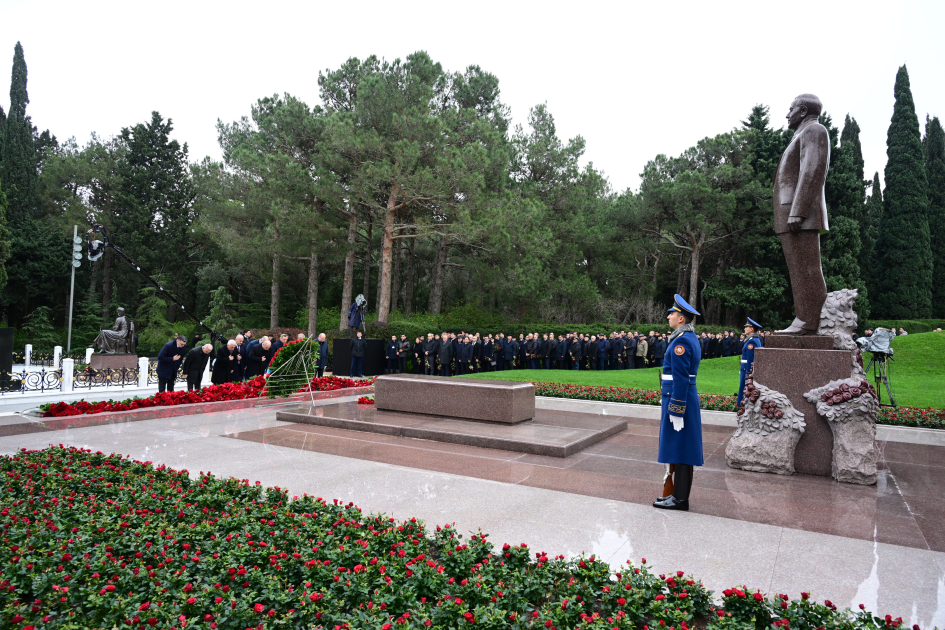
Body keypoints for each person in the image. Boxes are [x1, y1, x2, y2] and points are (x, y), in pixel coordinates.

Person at [773, 94, 830, 335]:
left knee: (806, 269)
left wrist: (798, 211)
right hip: (791, 214)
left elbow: (812, 170)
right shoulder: (800, 135)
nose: (787, 114)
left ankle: (809, 322)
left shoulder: (814, 131)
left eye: (791, 109)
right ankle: (804, 319)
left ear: (803, 110)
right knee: (798, 269)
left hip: (799, 216)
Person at [654, 294, 703, 512]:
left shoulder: (681, 341)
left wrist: (676, 408)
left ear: (681, 319)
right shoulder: (687, 338)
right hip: (679, 398)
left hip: (678, 399)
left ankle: (680, 499)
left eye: (672, 314)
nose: (669, 317)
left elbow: (681, 378)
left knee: (682, 450)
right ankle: (677, 495)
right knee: (680, 448)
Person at [737, 318, 764, 406]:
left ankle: (744, 406)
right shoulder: (752, 339)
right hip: (745, 368)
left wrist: (749, 373)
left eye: (746, 327)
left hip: (747, 370)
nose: (744, 329)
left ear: (752, 329)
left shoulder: (752, 341)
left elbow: (751, 359)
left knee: (745, 389)